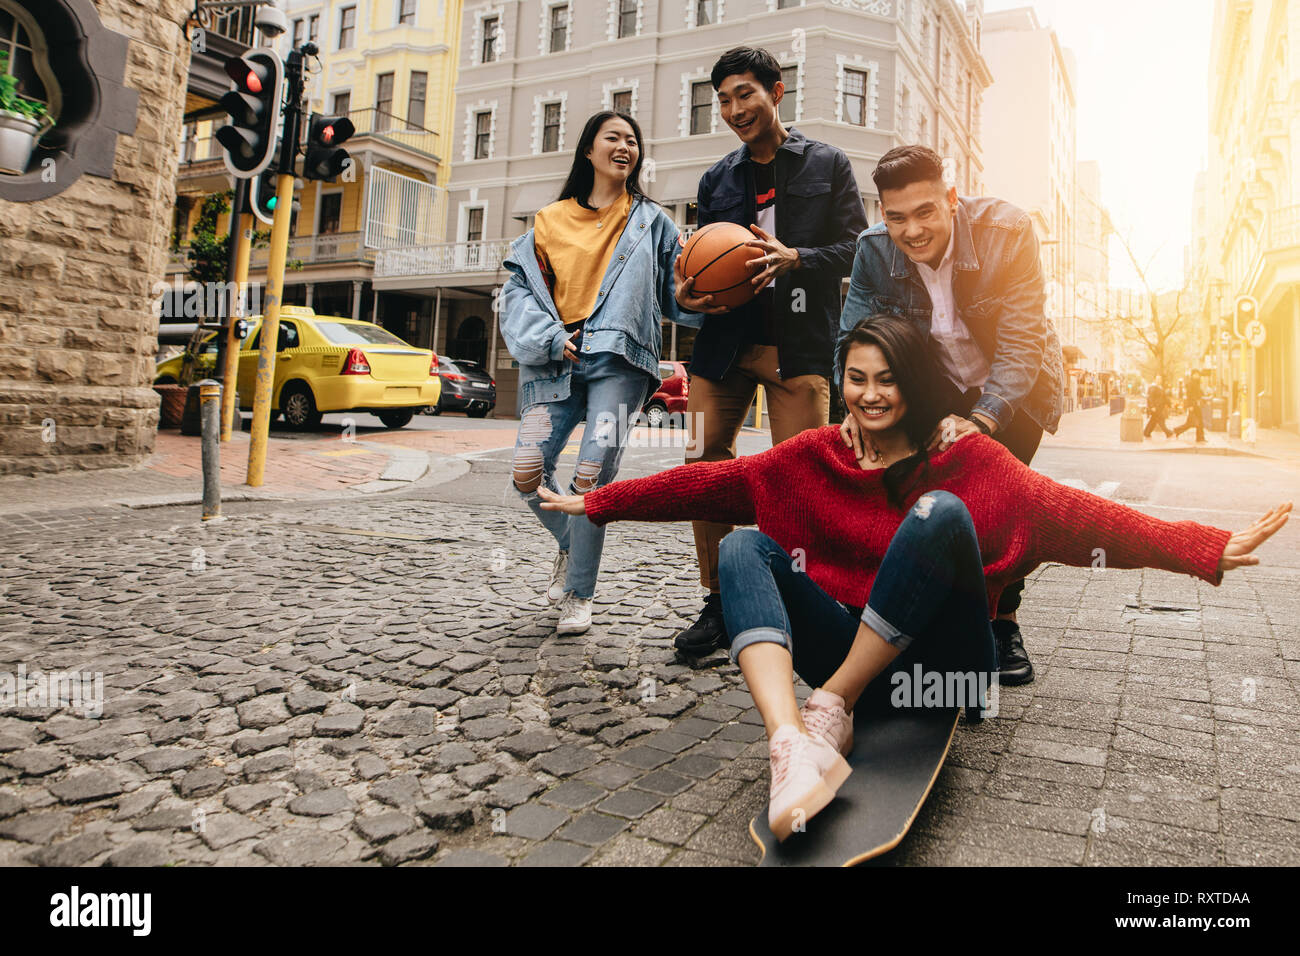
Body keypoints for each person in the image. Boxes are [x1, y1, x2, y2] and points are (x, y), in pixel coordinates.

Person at [537, 314, 1290, 840]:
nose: (870, 395)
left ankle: (830, 703)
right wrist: (599, 502)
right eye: (857, 379)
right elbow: (707, 484)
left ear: (915, 383)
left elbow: (1091, 519)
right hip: (860, 656)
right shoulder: (813, 459)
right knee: (741, 550)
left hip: (949, 666)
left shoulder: (974, 463)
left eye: (888, 380)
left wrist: (1205, 546)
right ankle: (792, 741)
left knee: (937, 513)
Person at [838, 144, 1063, 687]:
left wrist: (983, 419)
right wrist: (848, 412)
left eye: (925, 212)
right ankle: (927, 619)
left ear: (952, 199)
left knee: (996, 504)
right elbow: (852, 337)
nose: (911, 230)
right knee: (924, 500)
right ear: (882, 211)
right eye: (896, 217)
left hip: (1016, 386)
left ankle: (1003, 624)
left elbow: (1021, 342)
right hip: (936, 385)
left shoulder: (1008, 231)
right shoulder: (872, 250)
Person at [670, 46, 868, 656]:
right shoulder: (716, 179)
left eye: (745, 95)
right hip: (725, 343)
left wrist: (798, 259)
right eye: (724, 99)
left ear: (776, 92)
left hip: (799, 344)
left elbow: (860, 249)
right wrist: (688, 294)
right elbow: (704, 260)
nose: (734, 110)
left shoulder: (828, 164)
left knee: (799, 479)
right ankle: (720, 600)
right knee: (704, 463)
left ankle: (795, 598)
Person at [500, 111, 699, 635]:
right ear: (588, 149)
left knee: (590, 477)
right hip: (555, 362)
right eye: (613, 137)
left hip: (621, 362)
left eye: (633, 140)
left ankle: (578, 592)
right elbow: (519, 294)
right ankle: (573, 547)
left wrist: (700, 295)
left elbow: (674, 292)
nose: (625, 147)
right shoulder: (548, 220)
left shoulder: (651, 220)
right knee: (525, 469)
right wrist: (547, 337)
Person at [1173, 371, 1207, 442]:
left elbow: (1199, 393)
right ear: (1192, 375)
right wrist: (1190, 406)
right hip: (1193, 405)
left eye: (1198, 375)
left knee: (1195, 422)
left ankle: (1200, 437)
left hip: (1196, 404)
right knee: (1194, 422)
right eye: (1195, 375)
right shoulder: (1190, 384)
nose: (1197, 376)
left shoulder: (1197, 383)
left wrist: (1204, 395)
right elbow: (1189, 395)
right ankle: (1199, 437)